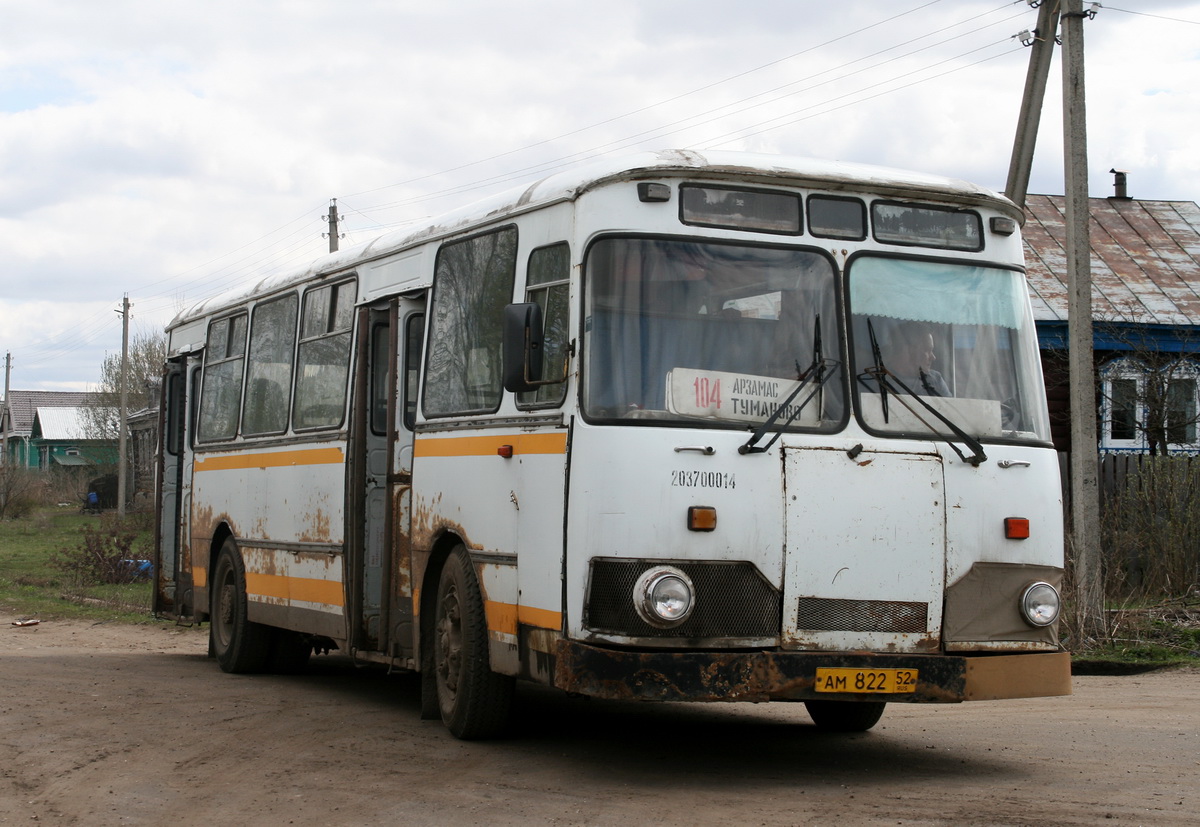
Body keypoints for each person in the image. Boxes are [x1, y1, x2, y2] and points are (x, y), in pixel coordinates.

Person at [886, 323, 950, 396]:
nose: (933, 357)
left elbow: (949, 406)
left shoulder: (936, 380)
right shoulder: (880, 381)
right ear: (907, 350)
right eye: (927, 350)